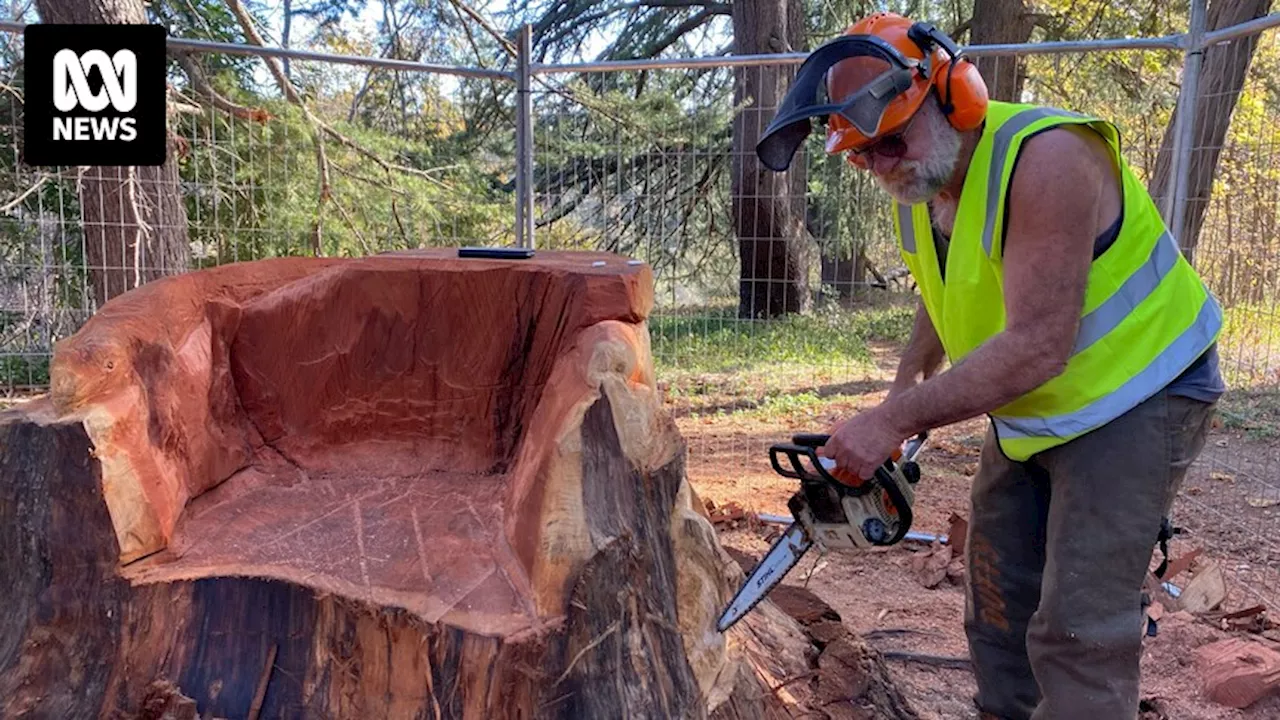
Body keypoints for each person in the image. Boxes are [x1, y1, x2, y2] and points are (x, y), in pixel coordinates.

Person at [754, 11, 1226, 720]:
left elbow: (1038, 343)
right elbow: (945, 289)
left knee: (1077, 628)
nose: (881, 164)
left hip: (1140, 390)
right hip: (1037, 404)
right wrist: (907, 383)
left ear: (956, 95)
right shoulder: (921, 184)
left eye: (890, 142)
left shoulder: (1050, 157)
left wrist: (894, 419)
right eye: (862, 154)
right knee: (998, 607)